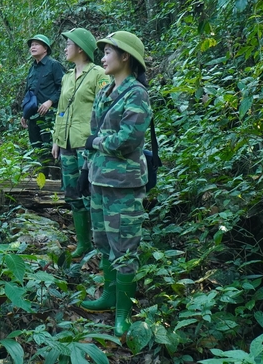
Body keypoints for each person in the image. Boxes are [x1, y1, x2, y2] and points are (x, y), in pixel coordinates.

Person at [79, 31, 151, 338]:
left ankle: (123, 311)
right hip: (99, 180)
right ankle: (109, 297)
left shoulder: (137, 94)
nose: (103, 57)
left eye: (108, 52)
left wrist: (96, 143)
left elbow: (129, 139)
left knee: (125, 248)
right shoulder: (105, 92)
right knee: (104, 243)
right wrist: (85, 168)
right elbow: (93, 136)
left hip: (124, 184)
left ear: (125, 57)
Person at [51, 28, 110, 259]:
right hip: (66, 143)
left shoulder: (98, 74)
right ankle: (83, 243)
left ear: (80, 48)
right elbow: (61, 111)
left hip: (86, 145)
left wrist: (99, 140)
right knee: (72, 193)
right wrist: (57, 139)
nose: (65, 48)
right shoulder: (66, 77)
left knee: (91, 194)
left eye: (68, 44)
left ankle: (100, 246)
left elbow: (106, 109)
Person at [21, 34, 64, 178]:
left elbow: (64, 88)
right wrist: (24, 113)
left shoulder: (54, 65)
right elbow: (29, 92)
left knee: (51, 149)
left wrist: (50, 101)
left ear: (45, 48)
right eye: (31, 45)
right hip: (33, 115)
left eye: (36, 44)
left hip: (49, 116)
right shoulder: (32, 68)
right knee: (37, 149)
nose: (32, 47)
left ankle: (56, 181)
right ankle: (43, 180)